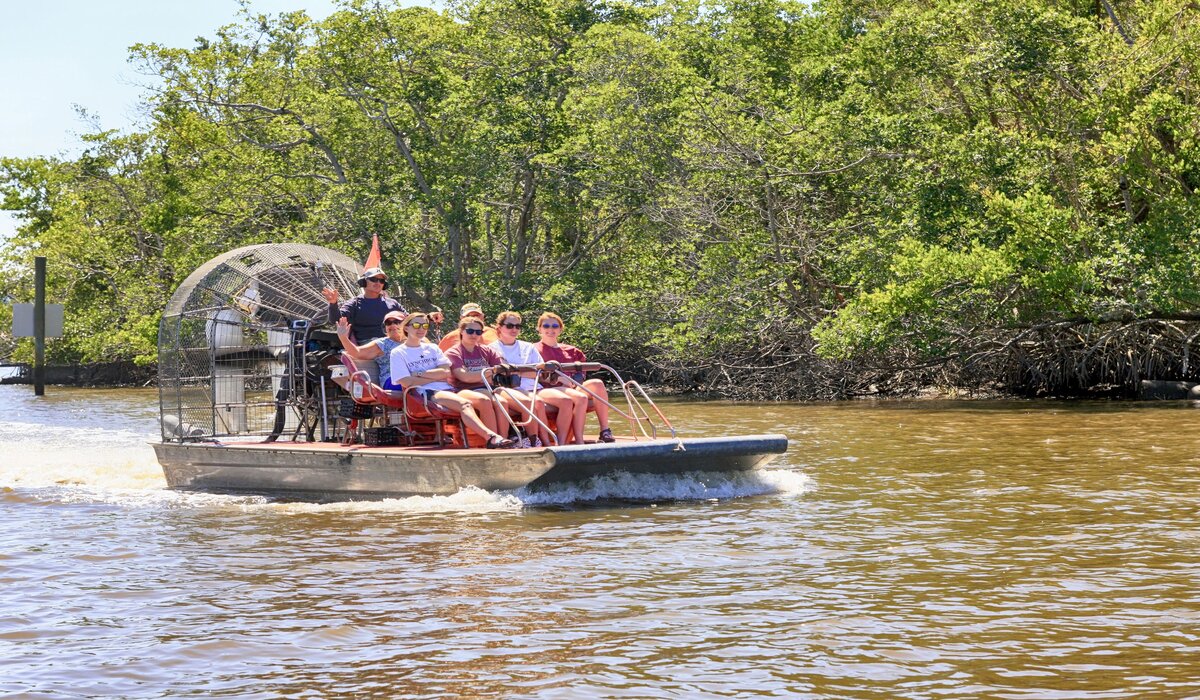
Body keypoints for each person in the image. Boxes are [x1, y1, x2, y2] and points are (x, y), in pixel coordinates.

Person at [390, 313, 516, 449]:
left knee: (486, 401)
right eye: (416, 325)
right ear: (406, 328)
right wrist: (434, 375)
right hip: (426, 393)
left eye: (425, 325)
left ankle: (498, 440)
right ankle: (491, 437)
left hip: (449, 389)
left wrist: (419, 374)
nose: (421, 328)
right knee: (465, 404)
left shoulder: (432, 348)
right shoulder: (398, 353)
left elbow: (445, 372)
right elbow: (406, 382)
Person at [488, 311, 586, 446]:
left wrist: (519, 372)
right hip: (510, 389)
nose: (514, 329)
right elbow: (499, 375)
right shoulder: (492, 349)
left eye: (517, 326)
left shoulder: (527, 347)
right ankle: (543, 442)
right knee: (537, 402)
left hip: (534, 387)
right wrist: (526, 372)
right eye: (510, 326)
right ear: (499, 328)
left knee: (566, 400)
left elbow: (540, 372)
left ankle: (562, 443)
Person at [535, 311, 616, 443]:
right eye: (546, 326)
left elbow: (580, 374)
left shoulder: (573, 351)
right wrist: (557, 379)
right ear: (539, 329)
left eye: (555, 326)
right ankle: (579, 441)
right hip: (546, 390)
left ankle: (604, 431)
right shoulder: (533, 350)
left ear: (560, 329)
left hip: (571, 387)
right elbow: (532, 376)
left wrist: (572, 382)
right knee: (580, 397)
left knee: (597, 383)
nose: (550, 329)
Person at [444, 315, 510, 440]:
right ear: (461, 331)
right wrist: (489, 372)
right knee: (483, 400)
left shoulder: (487, 351)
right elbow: (464, 377)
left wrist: (481, 375)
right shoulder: (453, 352)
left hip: (487, 387)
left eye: (478, 332)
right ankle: (493, 440)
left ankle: (504, 439)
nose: (474, 334)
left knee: (502, 402)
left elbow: (500, 372)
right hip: (462, 390)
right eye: (470, 331)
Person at [323, 266, 404, 344]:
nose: (378, 283)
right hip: (368, 345)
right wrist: (333, 303)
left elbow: (408, 318)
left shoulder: (392, 303)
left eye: (381, 281)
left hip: (393, 341)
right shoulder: (354, 304)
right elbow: (335, 320)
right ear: (364, 282)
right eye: (374, 279)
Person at [334, 311, 408, 390]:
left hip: (414, 378)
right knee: (415, 384)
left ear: (406, 325)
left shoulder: (415, 341)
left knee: (419, 383)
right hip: (393, 381)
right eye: (388, 323)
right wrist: (343, 338)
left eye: (397, 322)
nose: (393, 325)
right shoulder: (382, 344)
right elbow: (357, 353)